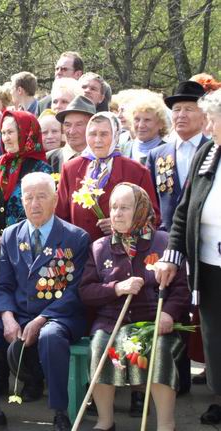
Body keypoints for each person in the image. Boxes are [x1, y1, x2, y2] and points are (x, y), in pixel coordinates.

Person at [0, 172, 90, 431]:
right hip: (18, 314)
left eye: (41, 197)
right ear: (21, 201)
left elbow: (75, 290)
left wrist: (43, 319)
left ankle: (60, 411)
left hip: (58, 316)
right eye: (28, 197)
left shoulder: (75, 237)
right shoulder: (11, 235)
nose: (34, 204)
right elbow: (3, 285)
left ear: (55, 200)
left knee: (50, 337)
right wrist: (7, 317)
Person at [80, 183, 190, 431]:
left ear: (140, 210)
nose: (117, 213)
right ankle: (105, 421)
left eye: (125, 208)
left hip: (154, 322)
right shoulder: (99, 248)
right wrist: (117, 288)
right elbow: (86, 292)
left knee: (160, 352)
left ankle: (165, 424)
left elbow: (181, 289)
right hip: (111, 322)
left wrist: (169, 314)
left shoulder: (164, 244)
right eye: (113, 207)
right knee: (99, 348)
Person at [154, 88, 221, 425]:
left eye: (212, 120)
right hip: (209, 263)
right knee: (214, 332)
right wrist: (171, 256)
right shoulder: (208, 153)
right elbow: (183, 212)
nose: (206, 127)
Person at [56, 112, 160, 242]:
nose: (97, 140)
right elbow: (60, 217)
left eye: (104, 134)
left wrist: (121, 224)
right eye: (93, 134)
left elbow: (152, 218)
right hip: (80, 253)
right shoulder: (70, 169)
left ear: (116, 135)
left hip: (121, 253)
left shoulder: (137, 171)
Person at [0, 110, 52, 250]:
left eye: (10, 132)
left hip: (26, 249)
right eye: (3, 133)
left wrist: (6, 241)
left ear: (27, 133)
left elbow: (45, 213)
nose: (5, 138)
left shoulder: (42, 170)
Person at [146, 81, 207, 231]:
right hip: (166, 238)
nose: (181, 115)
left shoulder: (213, 151)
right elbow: (150, 200)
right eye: (176, 109)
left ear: (204, 115)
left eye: (188, 109)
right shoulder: (156, 154)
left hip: (203, 237)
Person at [46, 95, 97, 173]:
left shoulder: (102, 160)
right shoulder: (49, 160)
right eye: (67, 125)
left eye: (79, 124)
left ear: (92, 127)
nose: (72, 131)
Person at [126, 91, 168, 164]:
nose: (141, 125)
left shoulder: (168, 152)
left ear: (161, 123)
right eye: (137, 119)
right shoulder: (123, 149)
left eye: (147, 120)